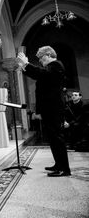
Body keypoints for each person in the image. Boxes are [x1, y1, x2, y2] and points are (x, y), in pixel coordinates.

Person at [17, 46, 71, 177]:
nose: (40, 61)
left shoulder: (56, 65)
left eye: (41, 58)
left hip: (54, 108)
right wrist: (24, 67)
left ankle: (64, 169)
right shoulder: (50, 68)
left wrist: (27, 64)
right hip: (50, 108)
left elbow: (42, 74)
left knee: (57, 138)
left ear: (48, 54)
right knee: (52, 138)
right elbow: (40, 75)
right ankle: (58, 164)